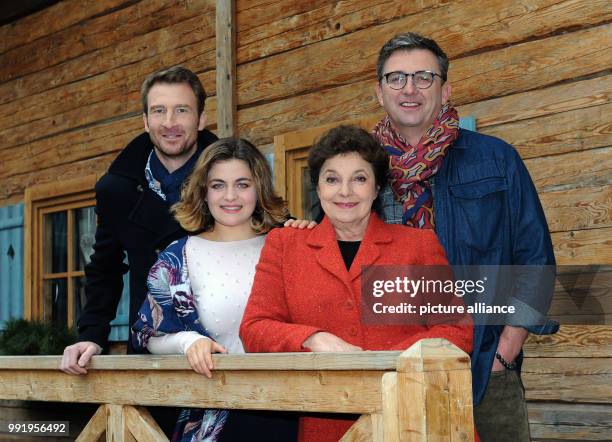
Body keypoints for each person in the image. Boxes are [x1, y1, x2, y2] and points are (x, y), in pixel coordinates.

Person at [372, 33, 557, 441]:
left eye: (424, 77)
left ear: (445, 89)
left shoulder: (496, 158)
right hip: (388, 367)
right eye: (396, 78)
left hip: (484, 369)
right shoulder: (360, 169)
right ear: (380, 92)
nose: (410, 89)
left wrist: (504, 351)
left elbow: (536, 260)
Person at [240, 125, 473, 442]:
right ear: (318, 188)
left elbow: (456, 331)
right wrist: (313, 338)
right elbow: (254, 327)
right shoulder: (285, 245)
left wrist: (379, 361)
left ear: (377, 187)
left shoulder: (417, 246)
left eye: (359, 178)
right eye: (332, 179)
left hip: (416, 417)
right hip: (328, 424)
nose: (345, 191)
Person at [59, 66, 217, 434]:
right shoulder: (116, 189)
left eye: (182, 110)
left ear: (201, 117)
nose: (170, 122)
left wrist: (294, 225)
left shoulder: (230, 176)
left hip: (223, 349)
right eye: (159, 111)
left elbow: (267, 232)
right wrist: (91, 334)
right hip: (154, 351)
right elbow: (106, 268)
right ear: (145, 121)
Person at [131, 137, 297, 441]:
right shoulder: (177, 257)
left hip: (290, 414)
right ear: (203, 191)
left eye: (243, 184)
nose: (230, 196)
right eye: (218, 185)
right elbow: (147, 334)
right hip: (215, 419)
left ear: (259, 188)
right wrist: (188, 341)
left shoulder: (288, 246)